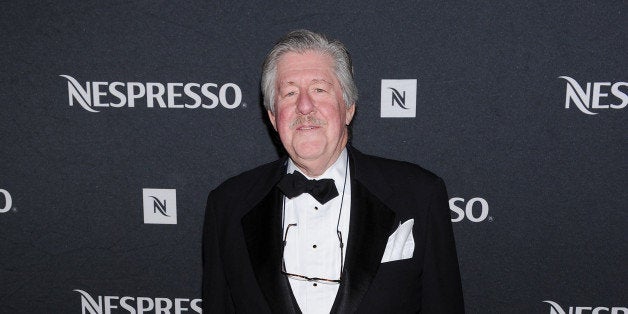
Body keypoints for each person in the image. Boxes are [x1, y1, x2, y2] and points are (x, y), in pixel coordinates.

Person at [203, 29, 464, 314]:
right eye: (289, 93)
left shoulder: (419, 194)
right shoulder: (228, 205)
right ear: (273, 116)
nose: (304, 106)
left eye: (319, 89)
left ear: (348, 107)